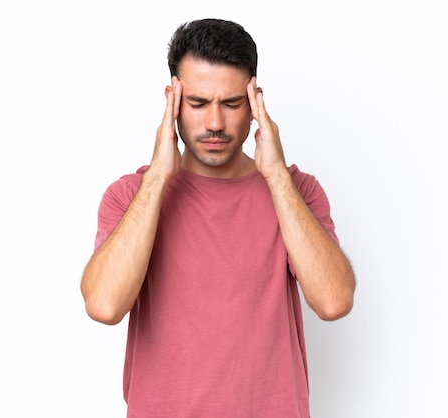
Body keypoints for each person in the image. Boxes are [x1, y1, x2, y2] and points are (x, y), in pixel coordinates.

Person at [80, 18, 356, 417]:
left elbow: (333, 301)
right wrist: (158, 177)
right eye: (196, 104)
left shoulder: (298, 191)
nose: (214, 123)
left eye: (231, 104)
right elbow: (104, 306)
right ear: (171, 99)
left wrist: (276, 176)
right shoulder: (130, 196)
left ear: (255, 101)